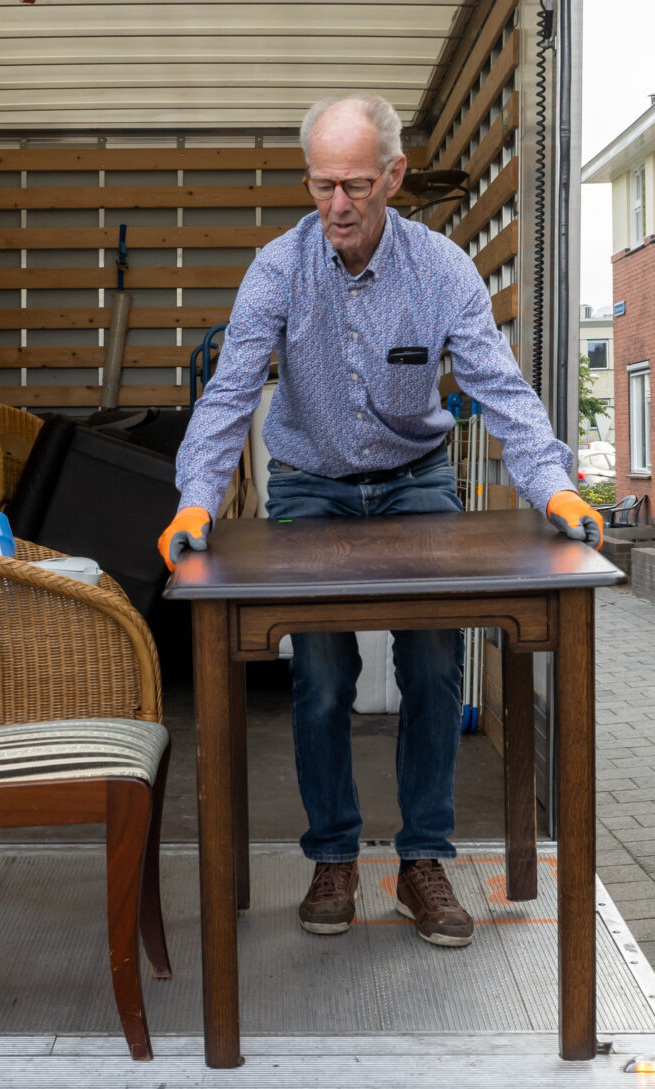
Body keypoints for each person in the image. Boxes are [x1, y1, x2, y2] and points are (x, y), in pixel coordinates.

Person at [158, 93, 603, 950]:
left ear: (393, 177)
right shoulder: (277, 269)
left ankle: (423, 860)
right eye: (322, 184)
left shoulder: (441, 271)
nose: (337, 205)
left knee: (434, 661)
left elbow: (501, 392)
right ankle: (333, 855)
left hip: (414, 481)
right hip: (310, 486)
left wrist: (554, 487)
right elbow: (227, 396)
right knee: (320, 676)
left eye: (356, 185)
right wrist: (194, 500)